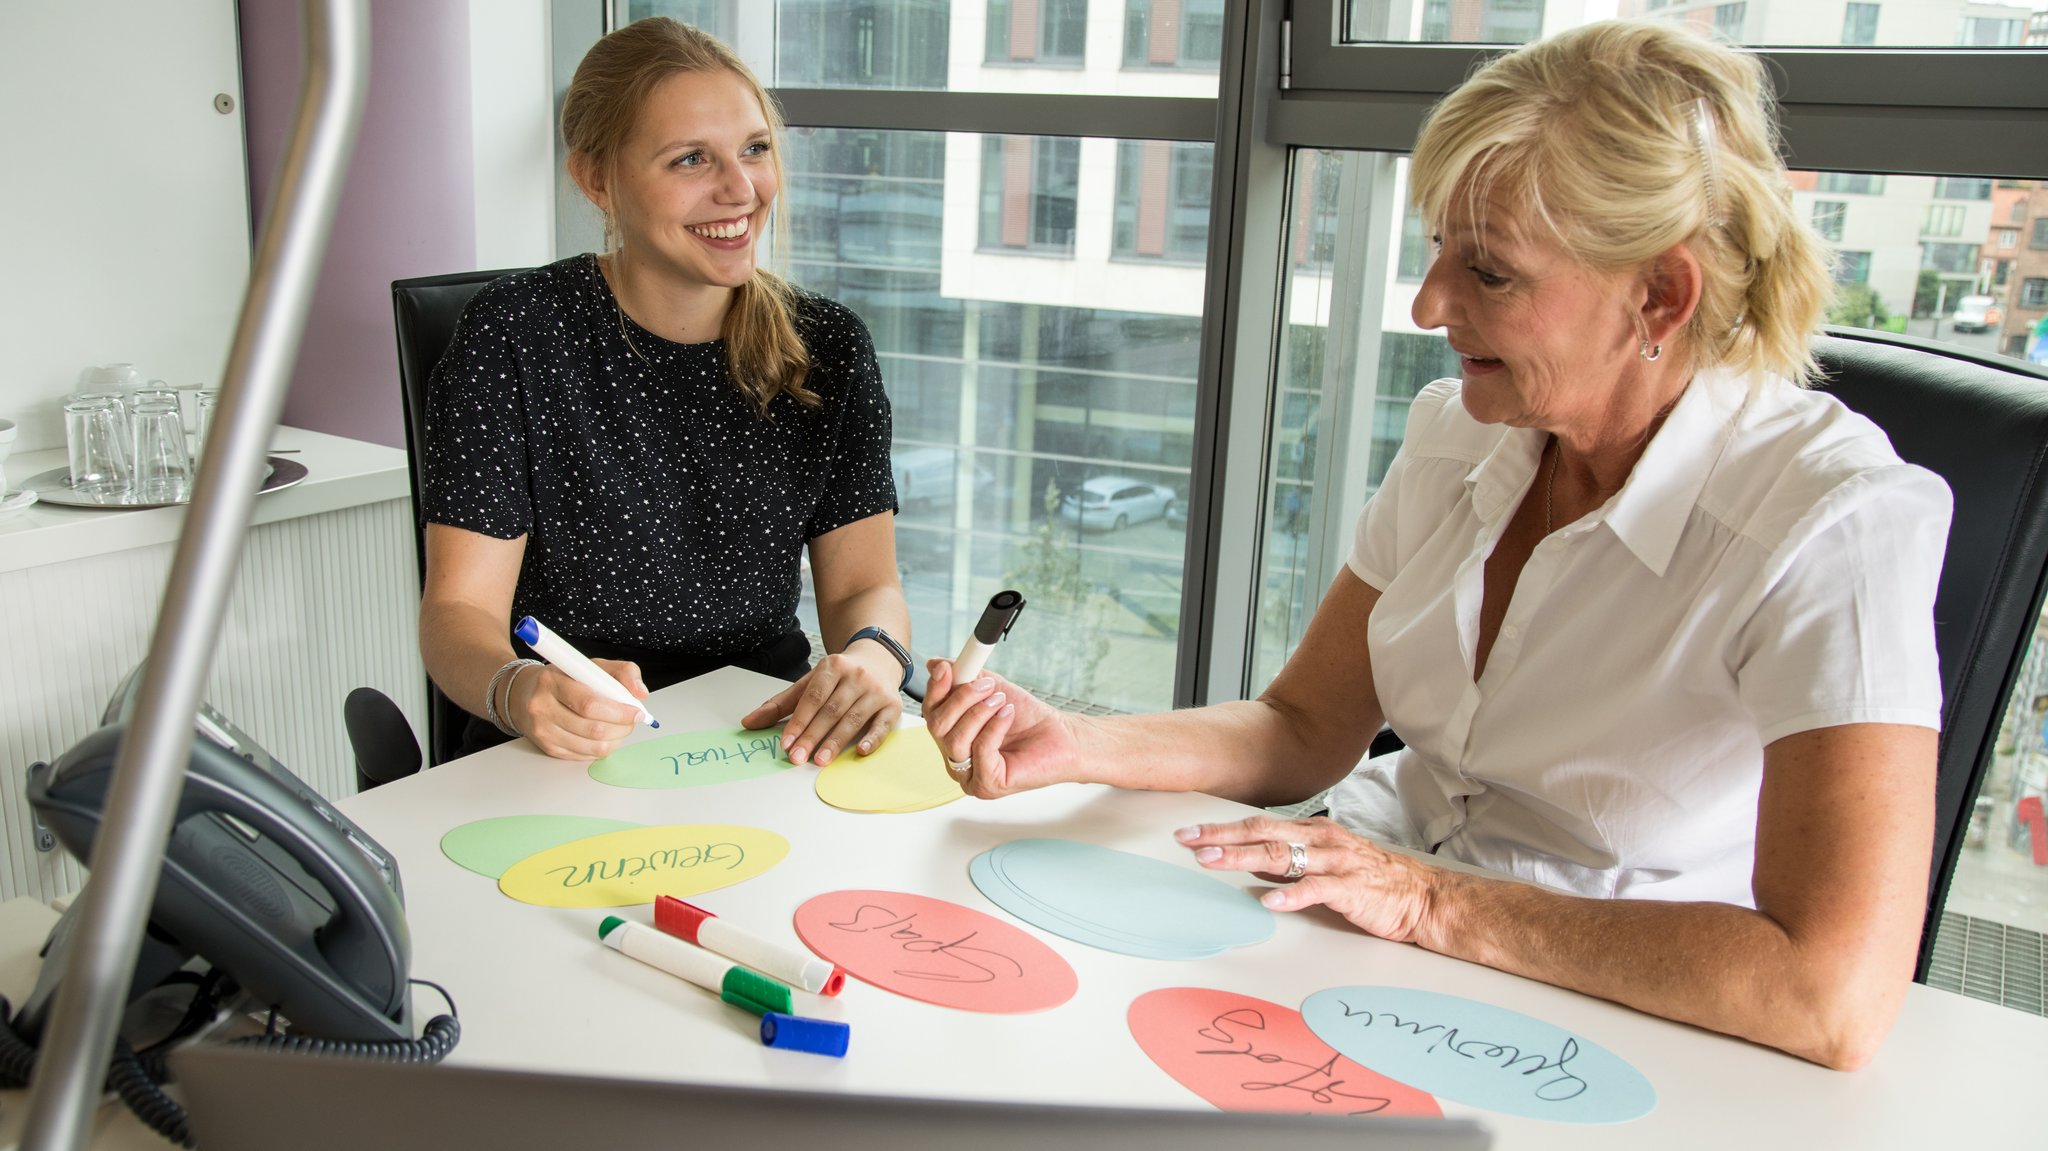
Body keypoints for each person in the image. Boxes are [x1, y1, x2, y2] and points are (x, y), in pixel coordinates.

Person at [923, 20, 1950, 1071]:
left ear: (1658, 293)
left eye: (1489, 273)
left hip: (1598, 1027)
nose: (1425, 305)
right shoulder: (1460, 430)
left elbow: (1828, 991)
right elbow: (1303, 724)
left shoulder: (1831, 522)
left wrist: (1424, 899)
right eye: (1434, 250)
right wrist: (1083, 743)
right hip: (1349, 930)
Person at [418, 18, 911, 767]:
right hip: (567, 742)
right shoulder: (513, 336)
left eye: (754, 149)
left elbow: (864, 588)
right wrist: (518, 690)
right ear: (595, 179)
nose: (741, 189)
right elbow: (458, 615)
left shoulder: (829, 347)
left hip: (763, 732)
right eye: (690, 159)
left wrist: (874, 658)